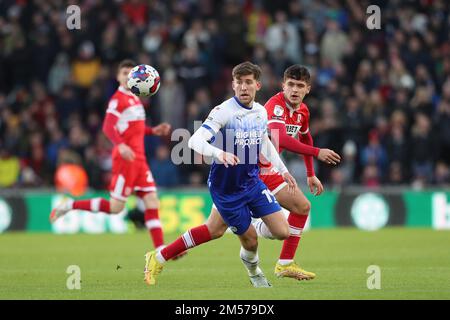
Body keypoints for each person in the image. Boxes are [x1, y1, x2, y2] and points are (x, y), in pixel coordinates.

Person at [143, 61, 297, 287]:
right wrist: (219, 153)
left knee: (281, 231)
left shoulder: (260, 112)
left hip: (252, 182)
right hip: (227, 190)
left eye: (248, 82)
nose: (243, 87)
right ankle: (256, 276)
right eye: (239, 83)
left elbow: (264, 142)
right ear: (233, 86)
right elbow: (195, 141)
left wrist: (283, 171)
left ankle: (157, 256)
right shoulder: (224, 112)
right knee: (251, 241)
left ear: (257, 85)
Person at [192, 65, 342, 281]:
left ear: (308, 89)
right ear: (283, 86)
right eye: (290, 85)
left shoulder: (302, 111)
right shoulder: (274, 107)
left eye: (300, 86)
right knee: (215, 229)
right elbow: (281, 138)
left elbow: (305, 137)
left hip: (267, 170)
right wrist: (318, 153)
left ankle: (284, 263)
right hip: (252, 172)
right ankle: (255, 228)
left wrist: (310, 173)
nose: (295, 90)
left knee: (301, 207)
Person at [50, 59, 174, 254]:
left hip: (139, 159)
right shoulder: (118, 99)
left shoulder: (134, 99)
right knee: (116, 207)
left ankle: (160, 251)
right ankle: (70, 205)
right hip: (125, 159)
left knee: (151, 201)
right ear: (118, 77)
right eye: (124, 73)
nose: (127, 76)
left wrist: (153, 131)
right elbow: (108, 126)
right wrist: (121, 145)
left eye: (130, 73)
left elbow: (134, 129)